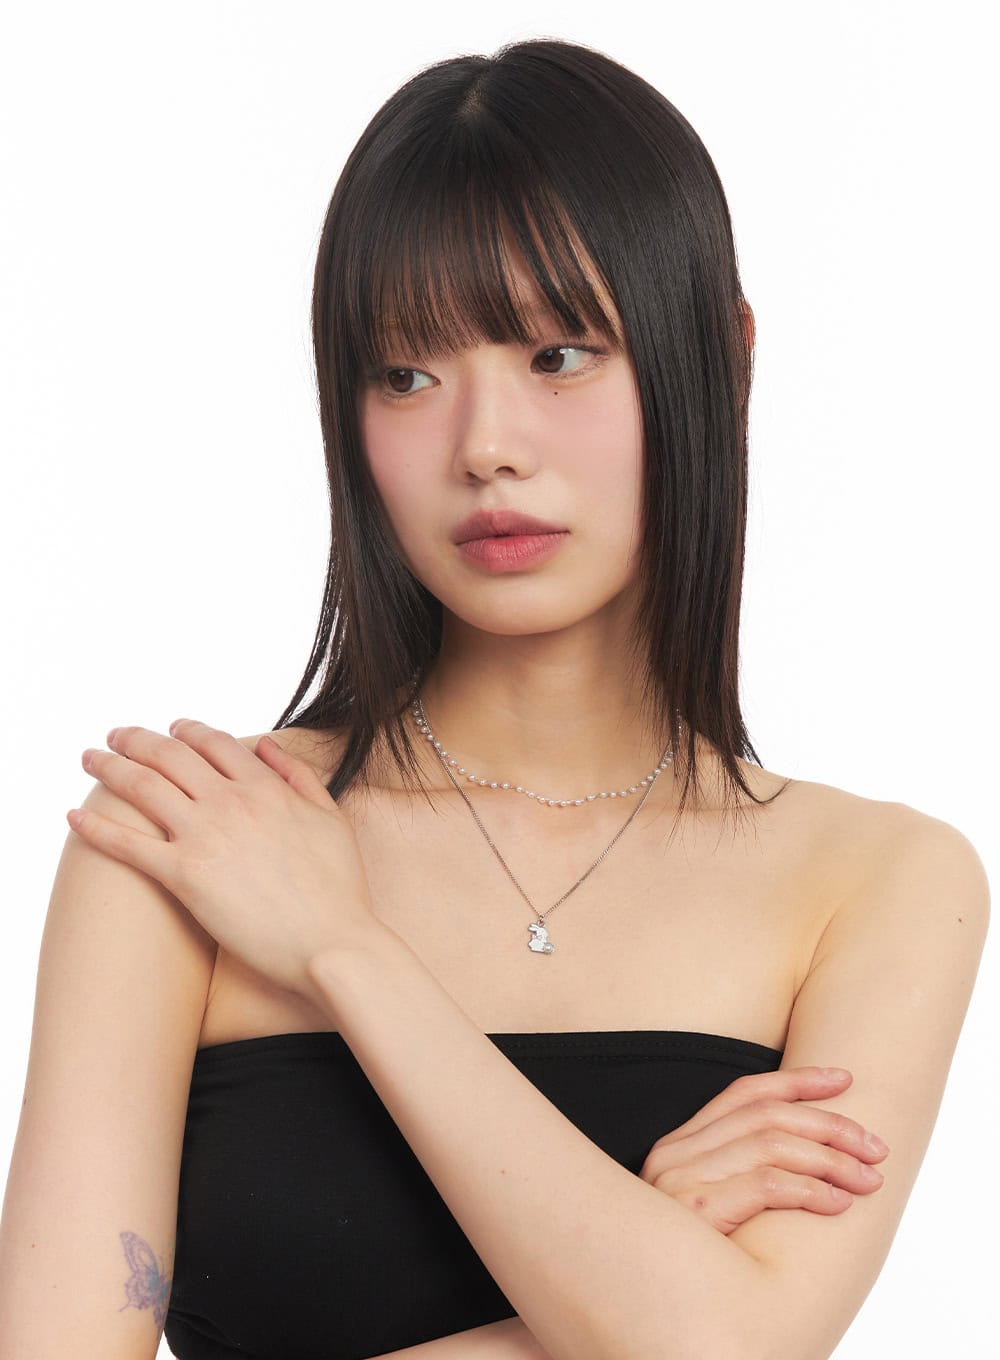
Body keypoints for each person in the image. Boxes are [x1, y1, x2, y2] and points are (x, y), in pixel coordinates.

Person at [0, 35, 989, 1360]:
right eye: (406, 374)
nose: (485, 448)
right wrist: (645, 1264)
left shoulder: (881, 882)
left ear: (724, 357)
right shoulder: (191, 841)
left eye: (560, 354)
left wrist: (344, 951)